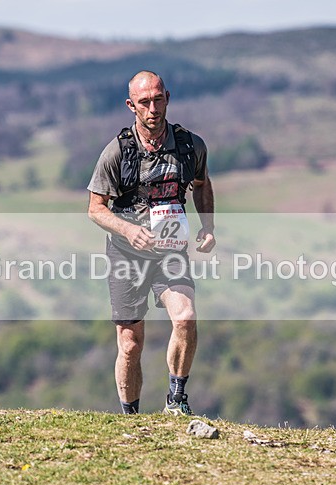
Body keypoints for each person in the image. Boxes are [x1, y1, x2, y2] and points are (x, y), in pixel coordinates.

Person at [87, 70, 216, 416]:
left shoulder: (191, 146)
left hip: (171, 252)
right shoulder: (117, 152)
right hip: (126, 255)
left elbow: (202, 184)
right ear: (131, 105)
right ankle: (131, 417)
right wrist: (128, 230)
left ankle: (177, 400)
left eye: (158, 99)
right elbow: (95, 208)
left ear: (168, 98)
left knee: (186, 318)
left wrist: (208, 225)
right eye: (144, 102)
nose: (153, 108)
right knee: (131, 344)